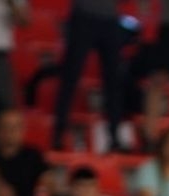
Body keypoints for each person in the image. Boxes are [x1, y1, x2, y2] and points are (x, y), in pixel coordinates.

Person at [52, 0, 129, 152]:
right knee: (70, 77)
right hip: (84, 15)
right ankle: (58, 133)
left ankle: (115, 137)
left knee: (113, 82)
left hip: (110, 18)